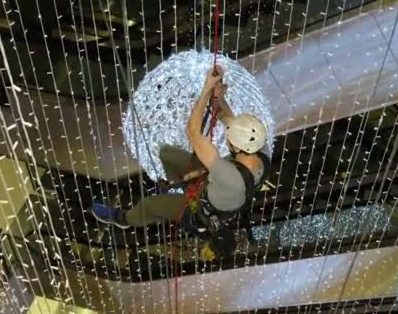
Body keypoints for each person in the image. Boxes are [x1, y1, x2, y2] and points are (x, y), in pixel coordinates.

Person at [91, 65, 271, 259]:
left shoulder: (229, 175)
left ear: (235, 147)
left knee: (149, 205)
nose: (227, 134)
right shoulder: (260, 149)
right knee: (167, 154)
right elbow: (227, 118)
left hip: (199, 211)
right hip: (214, 186)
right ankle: (177, 188)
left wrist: (206, 88)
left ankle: (123, 218)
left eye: (228, 136)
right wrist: (217, 96)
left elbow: (192, 132)